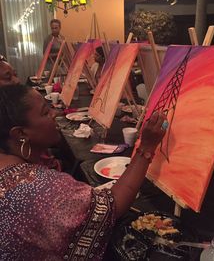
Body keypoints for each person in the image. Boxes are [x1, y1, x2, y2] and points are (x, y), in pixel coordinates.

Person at [0, 84, 167, 260]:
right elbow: (112, 206)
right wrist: (147, 147)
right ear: (20, 134)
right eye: (44, 112)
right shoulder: (40, 189)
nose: (54, 113)